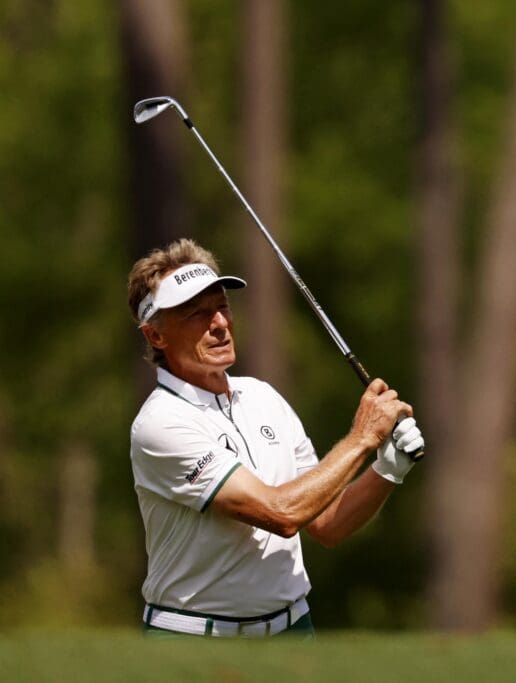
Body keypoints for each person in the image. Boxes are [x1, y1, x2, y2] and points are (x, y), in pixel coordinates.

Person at [126, 239, 423, 638]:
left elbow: (326, 522)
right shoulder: (160, 424)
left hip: (293, 631)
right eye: (196, 314)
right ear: (155, 336)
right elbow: (282, 514)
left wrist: (388, 468)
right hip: (195, 639)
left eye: (222, 306)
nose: (219, 323)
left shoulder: (263, 397)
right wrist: (364, 438)